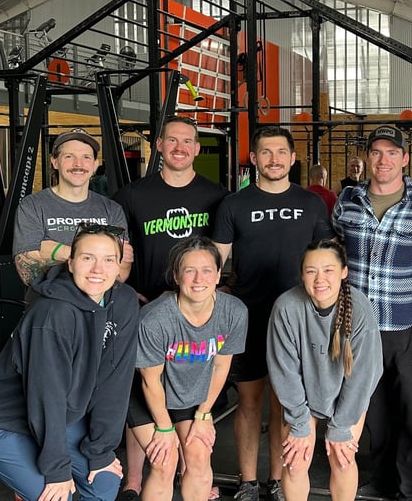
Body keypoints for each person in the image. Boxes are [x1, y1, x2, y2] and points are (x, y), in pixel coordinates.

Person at [212, 125, 333, 501]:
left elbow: (327, 259)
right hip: (248, 316)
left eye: (281, 152)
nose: (274, 159)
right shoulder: (234, 204)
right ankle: (248, 481)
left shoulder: (312, 203)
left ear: (293, 158)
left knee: (286, 403)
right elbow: (214, 261)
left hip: (297, 320)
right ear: (254, 158)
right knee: (248, 402)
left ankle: (278, 479)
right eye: (266, 152)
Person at [0, 222, 139, 501]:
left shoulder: (123, 301)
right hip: (1, 418)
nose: (98, 269)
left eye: (108, 259)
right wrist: (56, 470)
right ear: (71, 263)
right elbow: (46, 394)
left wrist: (100, 451)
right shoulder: (52, 313)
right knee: (53, 495)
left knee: (104, 484)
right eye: (87, 258)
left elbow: (115, 380)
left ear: (119, 266)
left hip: (63, 415)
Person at [113, 115, 229, 500]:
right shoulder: (132, 196)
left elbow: (221, 254)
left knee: (189, 389)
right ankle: (134, 479)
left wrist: (211, 294)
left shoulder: (217, 196)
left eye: (187, 141)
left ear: (197, 148)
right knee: (142, 387)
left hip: (194, 311)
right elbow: (118, 252)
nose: (180, 147)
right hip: (145, 308)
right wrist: (127, 292)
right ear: (159, 146)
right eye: (172, 140)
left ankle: (190, 471)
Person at [332, 125, 412, 501]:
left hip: (406, 323)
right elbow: (333, 249)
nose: (384, 160)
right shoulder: (346, 201)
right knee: (373, 409)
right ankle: (381, 479)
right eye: (377, 152)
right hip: (359, 327)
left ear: (405, 158)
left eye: (392, 153)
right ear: (366, 157)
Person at [128, 236, 248, 501]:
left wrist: (204, 414)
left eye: (206, 270)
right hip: (144, 393)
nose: (198, 279)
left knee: (199, 457)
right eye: (189, 271)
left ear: (218, 274)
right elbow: (149, 381)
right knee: (165, 461)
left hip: (189, 392)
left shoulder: (234, 312)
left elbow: (220, 366)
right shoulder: (155, 319)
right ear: (176, 275)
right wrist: (165, 429)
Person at [266, 239, 383, 501]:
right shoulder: (286, 307)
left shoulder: (360, 308)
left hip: (347, 396)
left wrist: (341, 426)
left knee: (342, 459)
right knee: (295, 462)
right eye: (311, 271)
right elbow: (284, 372)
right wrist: (299, 423)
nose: (320, 279)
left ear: (344, 272)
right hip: (303, 396)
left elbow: (364, 376)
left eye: (328, 270)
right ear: (301, 275)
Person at [13, 128, 132, 291]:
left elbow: (121, 269)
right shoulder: (32, 206)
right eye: (69, 156)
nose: (78, 164)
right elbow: (27, 272)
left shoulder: (112, 209)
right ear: (55, 161)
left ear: (95, 164)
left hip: (99, 302)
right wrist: (97, 257)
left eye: (86, 157)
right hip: (50, 301)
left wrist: (56, 250)